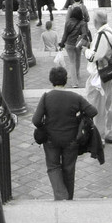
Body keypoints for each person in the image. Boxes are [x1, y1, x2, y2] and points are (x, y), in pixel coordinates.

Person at [32, 65, 97, 200]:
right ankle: (69, 199)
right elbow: (93, 111)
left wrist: (45, 125)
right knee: (69, 169)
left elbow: (36, 120)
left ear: (51, 80)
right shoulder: (75, 97)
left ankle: (61, 195)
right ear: (66, 80)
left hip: (51, 139)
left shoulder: (46, 97)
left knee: (53, 167)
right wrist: (79, 118)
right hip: (71, 139)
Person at [84, 10, 112, 145]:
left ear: (96, 22)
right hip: (110, 72)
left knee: (96, 104)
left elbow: (94, 56)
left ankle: (98, 136)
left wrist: (85, 50)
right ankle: (109, 132)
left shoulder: (101, 34)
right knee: (108, 102)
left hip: (99, 74)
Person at [58, 4, 91, 87]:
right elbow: (84, 34)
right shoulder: (83, 23)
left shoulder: (68, 22)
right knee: (78, 59)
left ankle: (74, 83)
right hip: (78, 44)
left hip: (69, 44)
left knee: (72, 62)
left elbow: (65, 34)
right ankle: (77, 75)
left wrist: (61, 44)